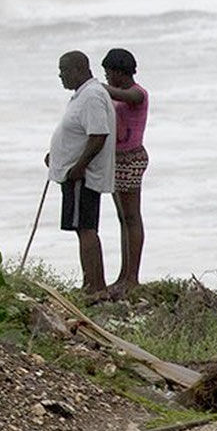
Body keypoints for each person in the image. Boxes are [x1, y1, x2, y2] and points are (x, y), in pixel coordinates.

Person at [47, 51, 116, 300]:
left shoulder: (91, 96)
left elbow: (98, 135)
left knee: (86, 228)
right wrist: (56, 154)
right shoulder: (83, 95)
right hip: (75, 174)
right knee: (83, 228)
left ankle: (95, 287)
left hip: (82, 177)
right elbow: (78, 133)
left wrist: (78, 167)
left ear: (78, 69)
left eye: (63, 70)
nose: (60, 76)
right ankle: (92, 284)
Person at [100, 48, 148, 299]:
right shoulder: (116, 93)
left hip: (131, 159)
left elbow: (124, 96)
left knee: (132, 217)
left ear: (120, 72)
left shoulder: (138, 93)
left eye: (108, 72)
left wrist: (96, 87)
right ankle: (123, 275)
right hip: (116, 160)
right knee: (123, 218)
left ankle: (132, 278)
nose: (107, 77)